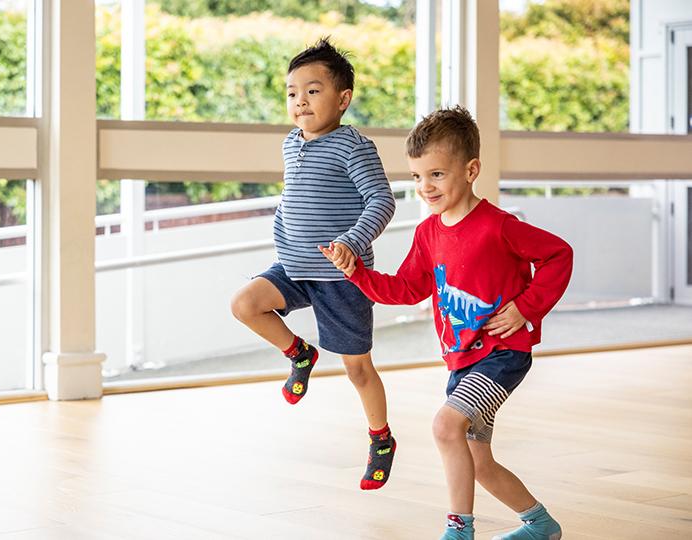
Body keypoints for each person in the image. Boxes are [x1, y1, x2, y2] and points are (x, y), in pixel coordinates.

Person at [321, 105, 572, 539]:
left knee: (444, 425)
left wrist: (526, 308)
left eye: (436, 174)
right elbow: (406, 289)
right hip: (461, 362)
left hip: (502, 355)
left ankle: (459, 531)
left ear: (471, 170)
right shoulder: (428, 233)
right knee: (478, 462)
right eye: (417, 176)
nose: (425, 186)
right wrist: (357, 272)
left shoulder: (499, 226)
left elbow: (558, 255)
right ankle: (540, 525)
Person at [230, 38, 397, 490]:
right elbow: (295, 197)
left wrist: (351, 242)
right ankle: (299, 353)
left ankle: (381, 440)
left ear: (343, 99)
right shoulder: (291, 143)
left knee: (357, 369)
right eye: (292, 92)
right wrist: (283, 231)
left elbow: (381, 200)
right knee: (245, 304)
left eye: (313, 90)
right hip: (294, 267)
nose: (300, 100)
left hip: (341, 276)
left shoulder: (353, 146)